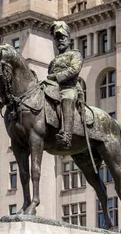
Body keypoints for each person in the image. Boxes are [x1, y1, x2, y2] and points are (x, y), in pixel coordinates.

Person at [47, 21, 83, 149]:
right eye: (57, 39)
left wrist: (57, 77)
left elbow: (74, 69)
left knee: (67, 99)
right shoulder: (53, 61)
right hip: (53, 88)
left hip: (69, 88)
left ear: (69, 39)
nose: (60, 41)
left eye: (62, 38)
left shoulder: (75, 54)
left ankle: (66, 135)